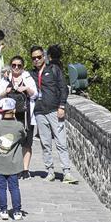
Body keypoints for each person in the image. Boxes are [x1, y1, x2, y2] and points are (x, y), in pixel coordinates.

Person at [30, 45, 76, 184]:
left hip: (54, 110)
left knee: (61, 142)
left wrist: (62, 106)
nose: (37, 60)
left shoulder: (54, 70)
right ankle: (50, 171)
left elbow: (63, 88)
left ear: (44, 57)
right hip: (39, 112)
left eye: (39, 57)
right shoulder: (30, 74)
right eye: (34, 58)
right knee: (45, 143)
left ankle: (66, 172)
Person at [0, 56, 38, 177]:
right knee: (9, 141)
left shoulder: (28, 78)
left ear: (23, 67)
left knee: (26, 142)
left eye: (19, 65)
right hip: (9, 116)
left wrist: (26, 88)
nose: (16, 68)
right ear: (10, 65)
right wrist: (6, 91)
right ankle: (11, 167)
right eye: (14, 65)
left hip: (25, 115)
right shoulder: (5, 79)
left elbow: (35, 94)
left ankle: (25, 169)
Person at [0, 98, 26, 220]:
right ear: (14, 111)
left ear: (1, 112)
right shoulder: (18, 126)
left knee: (0, 187)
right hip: (13, 163)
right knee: (14, 187)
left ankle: (3, 210)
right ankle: (17, 211)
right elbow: (24, 135)